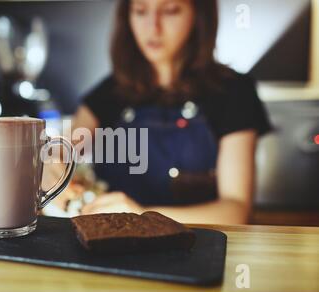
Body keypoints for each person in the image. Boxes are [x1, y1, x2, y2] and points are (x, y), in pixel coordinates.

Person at [50, 0, 271, 225]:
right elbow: (63, 149)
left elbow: (236, 211)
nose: (152, 27)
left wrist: (141, 216)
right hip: (112, 249)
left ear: (198, 15)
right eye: (141, 11)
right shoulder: (109, 92)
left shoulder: (233, 92)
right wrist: (51, 165)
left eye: (170, 11)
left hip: (198, 249)